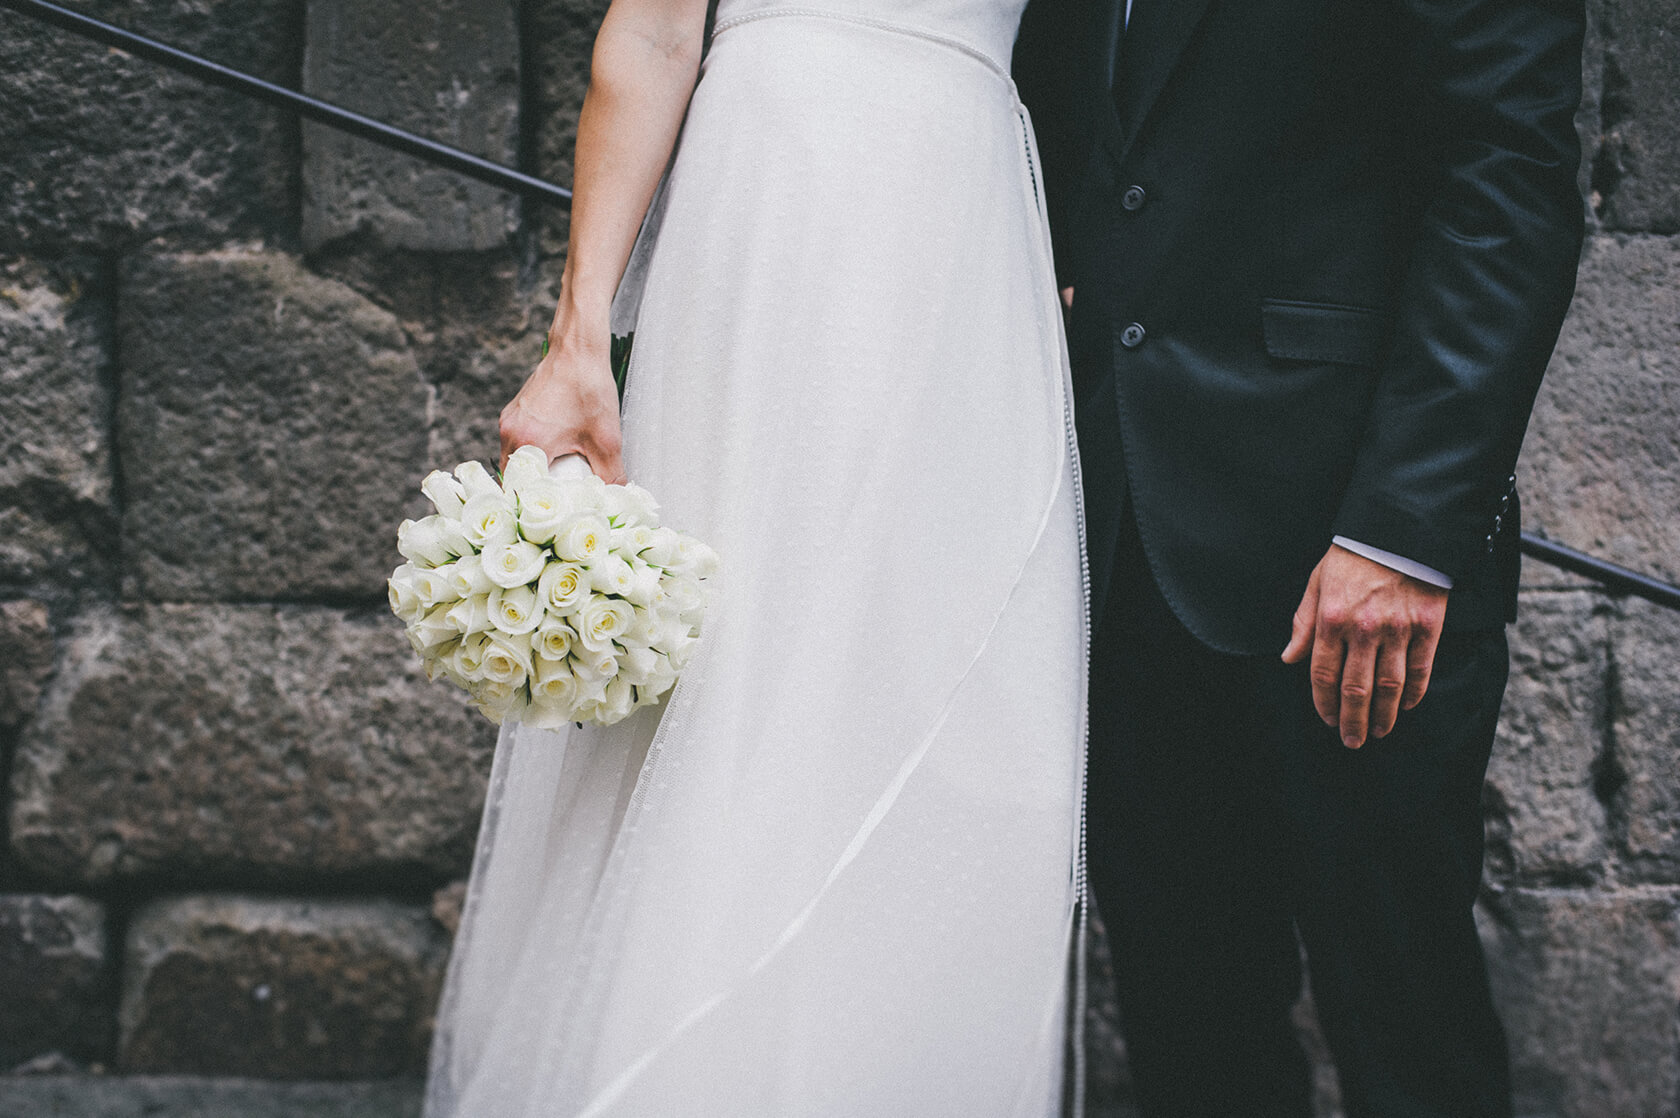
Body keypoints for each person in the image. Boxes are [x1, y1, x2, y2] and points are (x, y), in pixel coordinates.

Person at [421, 0, 1088, 1114]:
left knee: (947, 695)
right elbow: (650, 35)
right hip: (779, 204)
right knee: (735, 669)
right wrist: (578, 337)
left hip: (971, 235)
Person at [1014, 1, 1585, 1115]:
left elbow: (1507, 178)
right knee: (1191, 1027)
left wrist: (1404, 532)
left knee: (1407, 1021)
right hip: (1121, 542)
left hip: (1348, 552)